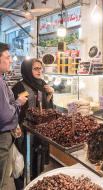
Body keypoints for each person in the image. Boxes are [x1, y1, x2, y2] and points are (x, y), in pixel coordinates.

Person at [12, 58, 54, 189]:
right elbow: (13, 108)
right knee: (23, 161)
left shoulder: (42, 83)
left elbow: (46, 108)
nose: (39, 71)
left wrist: (50, 94)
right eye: (35, 68)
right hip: (24, 132)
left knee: (38, 158)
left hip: (39, 130)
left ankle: (35, 183)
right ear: (27, 70)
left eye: (40, 68)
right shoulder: (18, 87)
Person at [0, 42, 27, 190]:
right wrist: (18, 103)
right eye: (8, 57)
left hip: (6, 133)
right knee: (3, 179)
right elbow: (4, 116)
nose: (11, 60)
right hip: (2, 136)